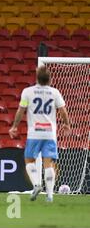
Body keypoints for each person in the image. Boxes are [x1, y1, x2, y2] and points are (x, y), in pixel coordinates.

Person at [9, 66, 71, 202]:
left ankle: (37, 184)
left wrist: (14, 126)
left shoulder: (28, 92)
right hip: (50, 134)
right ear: (49, 79)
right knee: (48, 164)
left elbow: (21, 110)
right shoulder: (54, 92)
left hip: (34, 134)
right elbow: (63, 111)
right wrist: (66, 124)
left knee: (29, 160)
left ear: (37, 78)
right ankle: (49, 195)